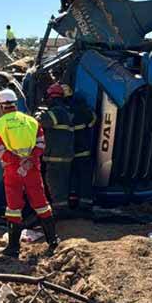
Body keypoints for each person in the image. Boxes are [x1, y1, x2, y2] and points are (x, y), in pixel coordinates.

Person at [0, 89, 59, 257]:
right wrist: (29, 160)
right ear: (15, 103)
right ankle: (52, 241)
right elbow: (41, 144)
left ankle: (13, 248)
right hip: (32, 169)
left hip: (13, 171)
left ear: (1, 105)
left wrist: (17, 162)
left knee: (14, 208)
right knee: (41, 203)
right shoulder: (32, 122)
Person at [36, 83, 74, 214]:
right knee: (62, 184)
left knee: (54, 183)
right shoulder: (66, 111)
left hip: (55, 156)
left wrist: (37, 116)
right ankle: (62, 208)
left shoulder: (57, 111)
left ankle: (59, 212)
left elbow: (44, 122)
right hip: (65, 155)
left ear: (51, 97)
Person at [63, 84, 97, 212]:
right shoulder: (82, 110)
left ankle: (71, 201)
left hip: (68, 152)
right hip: (83, 151)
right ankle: (85, 203)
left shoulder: (63, 111)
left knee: (71, 177)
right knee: (84, 178)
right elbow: (93, 120)